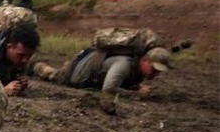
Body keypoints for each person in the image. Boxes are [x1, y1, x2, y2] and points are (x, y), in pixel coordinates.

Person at [32, 28, 177, 97]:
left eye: (158, 72)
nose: (155, 74)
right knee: (54, 75)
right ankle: (33, 65)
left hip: (87, 64)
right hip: (75, 74)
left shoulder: (134, 67)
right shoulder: (124, 64)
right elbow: (108, 89)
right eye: (154, 69)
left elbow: (122, 82)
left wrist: (136, 87)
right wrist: (137, 94)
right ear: (145, 60)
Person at [0, 22, 40, 97]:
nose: (25, 60)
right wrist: (2, 91)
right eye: (21, 55)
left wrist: (18, 82)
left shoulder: (20, 56)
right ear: (9, 47)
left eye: (29, 55)